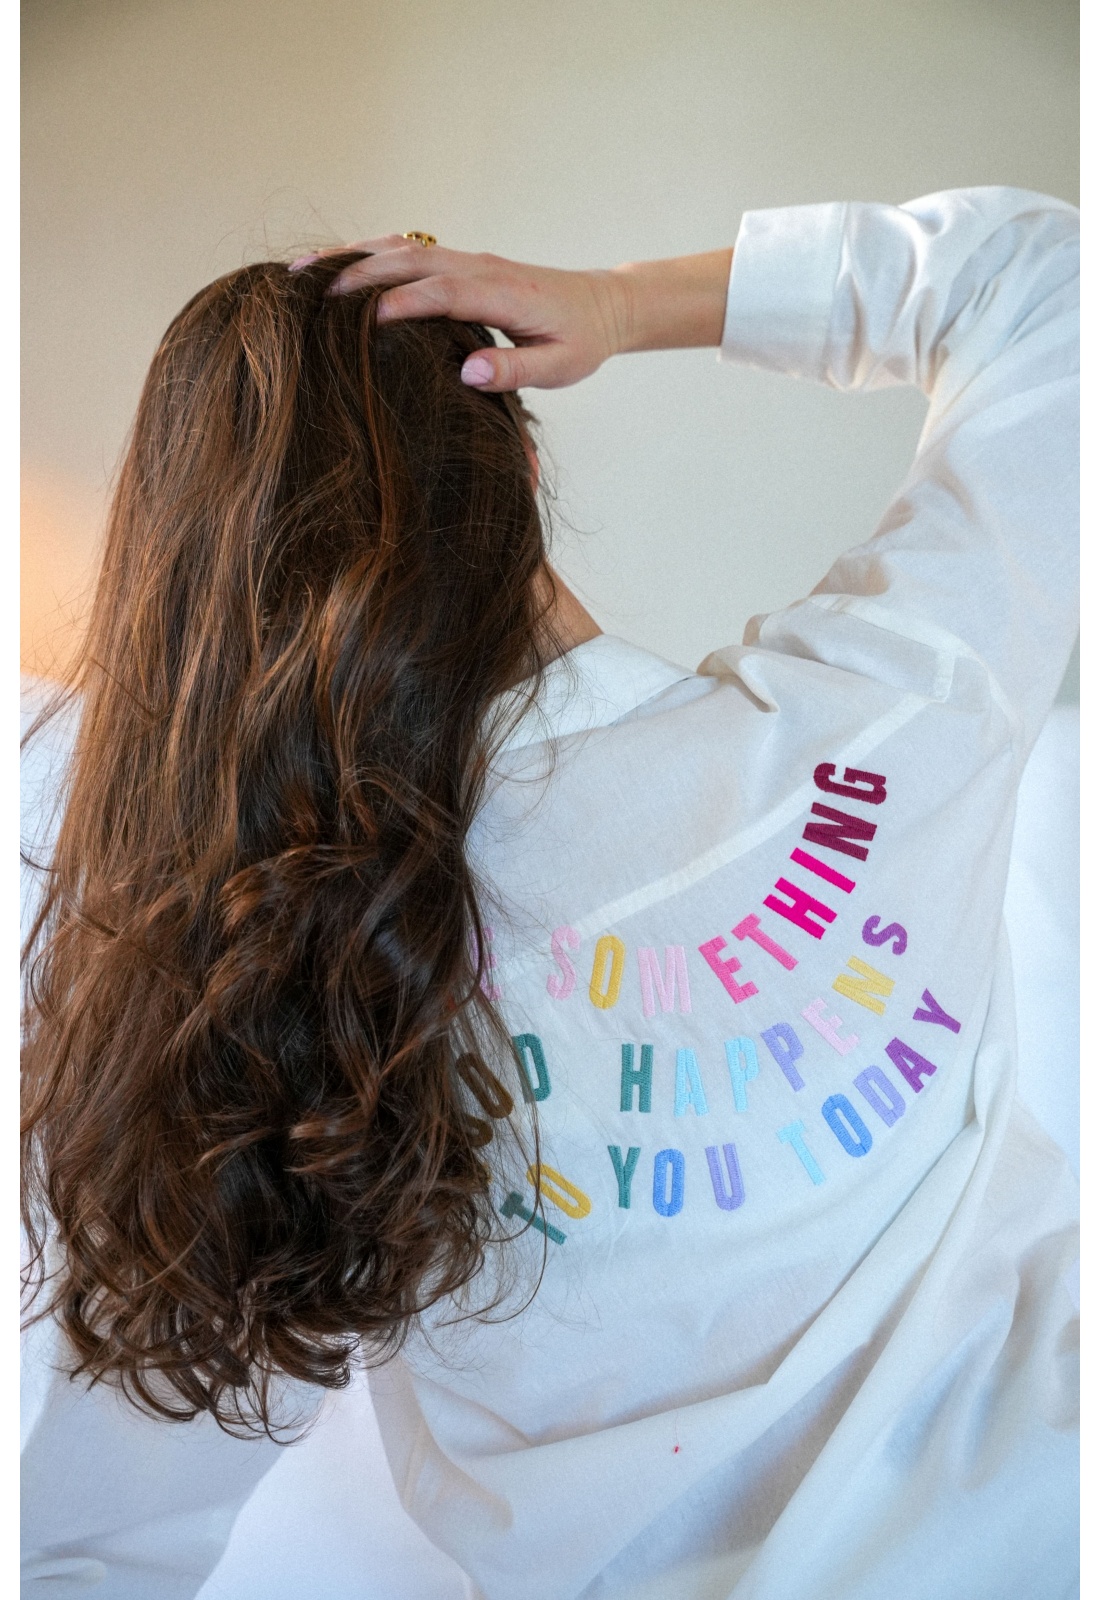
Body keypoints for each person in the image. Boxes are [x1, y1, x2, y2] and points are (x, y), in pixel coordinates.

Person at [21, 186, 1078, 1599]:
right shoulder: (889, 721)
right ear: (520, 460)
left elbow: (88, 1539)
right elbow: (1046, 284)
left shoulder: (261, 982)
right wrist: (624, 304)